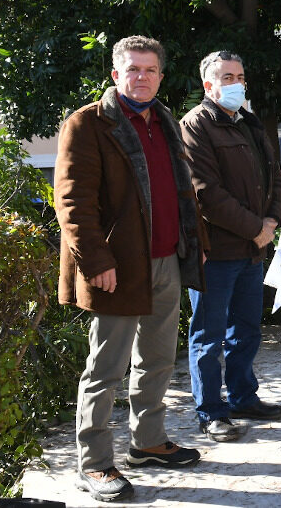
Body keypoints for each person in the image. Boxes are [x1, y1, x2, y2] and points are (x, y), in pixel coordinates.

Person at [56, 36, 204, 502]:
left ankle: (147, 442)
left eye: (151, 70)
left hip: (165, 262)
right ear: (115, 74)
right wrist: (96, 262)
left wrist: (193, 242)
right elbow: (73, 202)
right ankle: (95, 463)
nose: (142, 77)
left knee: (158, 360)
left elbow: (181, 191)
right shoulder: (87, 124)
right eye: (133, 69)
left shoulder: (164, 120)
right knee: (105, 368)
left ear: (161, 76)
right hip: (115, 268)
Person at [180, 51, 281, 443]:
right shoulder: (196, 125)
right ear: (208, 84)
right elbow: (206, 193)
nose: (236, 83)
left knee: (246, 330)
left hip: (251, 250)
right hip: (217, 252)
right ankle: (211, 412)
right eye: (227, 77)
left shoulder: (249, 122)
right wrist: (255, 228)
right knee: (209, 337)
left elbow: (275, 176)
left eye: (240, 75)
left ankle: (243, 397)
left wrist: (272, 221)